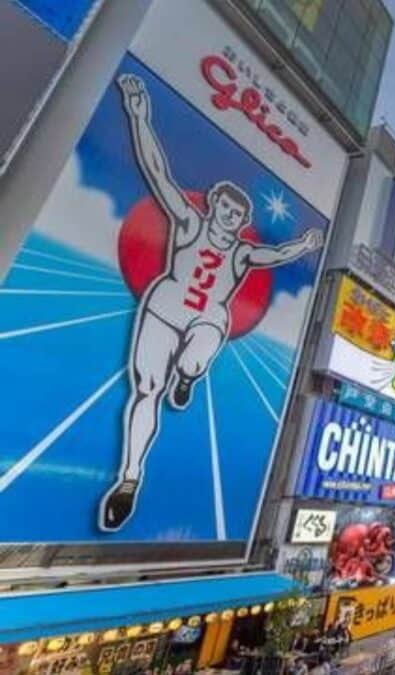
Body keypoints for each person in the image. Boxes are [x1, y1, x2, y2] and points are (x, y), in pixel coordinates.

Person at [98, 73, 324, 531]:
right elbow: (157, 172)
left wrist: (304, 245)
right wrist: (139, 116)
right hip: (163, 309)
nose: (230, 217)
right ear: (214, 206)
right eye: (225, 209)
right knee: (146, 390)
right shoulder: (188, 222)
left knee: (205, 338)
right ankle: (128, 481)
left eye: (237, 215)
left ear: (241, 221)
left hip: (206, 318)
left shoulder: (242, 252)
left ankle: (188, 374)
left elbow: (276, 254)